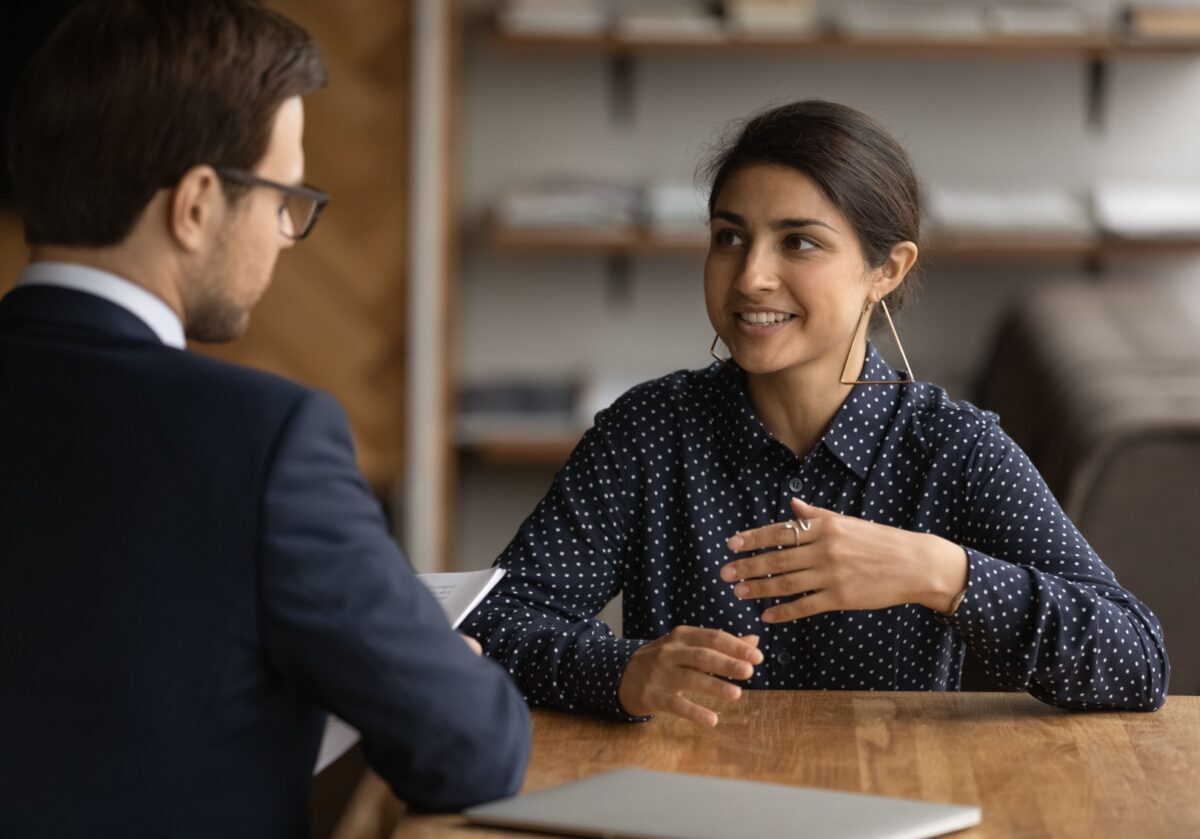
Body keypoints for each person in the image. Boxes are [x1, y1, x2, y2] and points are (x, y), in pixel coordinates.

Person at [463, 100, 1170, 727]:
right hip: (687, 808)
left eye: (798, 241)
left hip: (891, 801)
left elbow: (1137, 660)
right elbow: (494, 623)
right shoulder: (649, 431)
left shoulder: (953, 448)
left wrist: (939, 570)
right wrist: (620, 670)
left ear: (886, 270)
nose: (749, 277)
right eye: (729, 236)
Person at [0, 1, 529, 834]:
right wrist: (441, 677)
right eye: (283, 195)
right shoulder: (263, 440)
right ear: (199, 202)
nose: (288, 234)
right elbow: (473, 750)